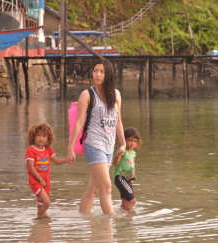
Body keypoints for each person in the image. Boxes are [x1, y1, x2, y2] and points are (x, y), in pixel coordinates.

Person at [67, 59, 126, 214]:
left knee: (94, 188)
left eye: (102, 71)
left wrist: (123, 143)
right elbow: (79, 123)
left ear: (109, 74)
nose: (97, 74)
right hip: (94, 144)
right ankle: (109, 225)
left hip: (109, 145)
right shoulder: (87, 95)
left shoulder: (116, 95)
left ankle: (83, 218)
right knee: (106, 186)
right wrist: (70, 148)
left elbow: (118, 121)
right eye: (95, 71)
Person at [26, 123, 67, 217]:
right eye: (39, 135)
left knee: (41, 204)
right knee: (47, 203)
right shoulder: (31, 150)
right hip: (36, 179)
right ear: (33, 136)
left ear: (48, 138)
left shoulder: (48, 150)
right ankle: (39, 219)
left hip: (46, 179)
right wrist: (40, 179)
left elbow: (57, 161)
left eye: (44, 136)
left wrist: (67, 160)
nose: (41, 138)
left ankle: (40, 227)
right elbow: (31, 167)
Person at [113, 127, 142, 211]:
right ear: (124, 140)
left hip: (128, 179)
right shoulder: (122, 151)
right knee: (132, 200)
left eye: (135, 141)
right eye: (130, 140)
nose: (132, 143)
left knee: (125, 201)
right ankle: (128, 216)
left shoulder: (133, 153)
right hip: (120, 177)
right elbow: (115, 163)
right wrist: (118, 155)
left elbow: (132, 165)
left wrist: (132, 177)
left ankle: (123, 218)